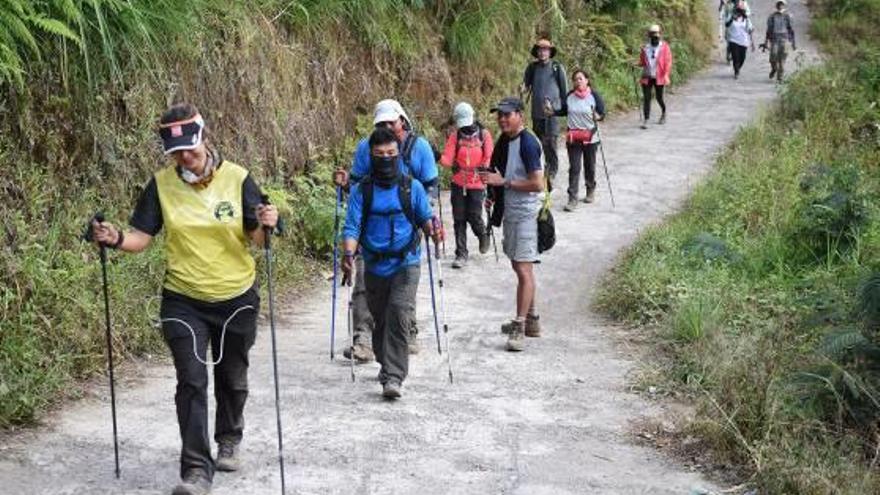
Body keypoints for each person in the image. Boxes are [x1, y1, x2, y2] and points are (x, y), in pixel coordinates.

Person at [90, 103, 279, 495]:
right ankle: (195, 470)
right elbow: (142, 237)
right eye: (176, 153)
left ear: (204, 139)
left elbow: (256, 239)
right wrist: (115, 238)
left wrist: (266, 224)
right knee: (191, 382)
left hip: (237, 296)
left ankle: (228, 437)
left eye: (189, 150)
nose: (184, 159)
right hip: (183, 299)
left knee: (232, 377)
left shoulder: (238, 178)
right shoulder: (161, 185)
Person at [340, 127, 442, 399]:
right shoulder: (363, 191)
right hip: (373, 264)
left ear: (398, 154)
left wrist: (433, 228)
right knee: (380, 319)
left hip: (406, 262)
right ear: (371, 156)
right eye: (380, 154)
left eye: (391, 153)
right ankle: (387, 367)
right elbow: (352, 227)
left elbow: (425, 217)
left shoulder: (412, 187)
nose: (386, 158)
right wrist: (349, 255)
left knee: (398, 313)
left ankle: (394, 376)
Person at [479, 97, 545, 352]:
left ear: (520, 115)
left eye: (507, 115)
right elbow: (497, 170)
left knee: (523, 269)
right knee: (520, 266)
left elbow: (537, 184)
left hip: (526, 213)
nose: (502, 119)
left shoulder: (528, 143)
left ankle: (519, 325)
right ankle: (532, 319)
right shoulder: (506, 140)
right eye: (500, 116)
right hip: (512, 210)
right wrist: (493, 191)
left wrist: (503, 182)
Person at [439, 102, 494, 269]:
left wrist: (484, 170)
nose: (466, 127)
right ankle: (461, 253)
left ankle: (483, 234)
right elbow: (448, 158)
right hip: (458, 182)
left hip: (477, 182)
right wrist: (437, 156)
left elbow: (489, 156)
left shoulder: (484, 135)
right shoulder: (455, 137)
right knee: (459, 218)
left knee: (474, 215)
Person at [545, 69, 606, 210]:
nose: (577, 82)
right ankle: (572, 198)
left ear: (587, 80)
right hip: (573, 137)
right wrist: (552, 111)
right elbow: (564, 110)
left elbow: (602, 113)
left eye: (580, 79)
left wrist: (597, 117)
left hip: (590, 137)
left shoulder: (594, 96)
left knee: (589, 166)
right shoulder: (570, 96)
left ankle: (590, 190)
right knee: (574, 168)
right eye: (575, 79)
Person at [522, 36, 567, 182]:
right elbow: (526, 85)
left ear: (550, 52)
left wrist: (563, 109)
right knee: (538, 143)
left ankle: (552, 171)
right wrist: (522, 88)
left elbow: (563, 90)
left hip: (552, 113)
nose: (542, 53)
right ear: (537, 52)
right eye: (540, 50)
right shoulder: (532, 68)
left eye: (545, 50)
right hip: (536, 112)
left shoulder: (557, 67)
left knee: (551, 143)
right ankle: (540, 169)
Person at [638, 24, 673, 129]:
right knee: (647, 98)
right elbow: (643, 62)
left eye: (656, 36)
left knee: (659, 97)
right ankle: (646, 119)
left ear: (660, 35)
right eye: (652, 35)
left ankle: (664, 112)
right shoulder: (645, 48)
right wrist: (636, 64)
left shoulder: (665, 48)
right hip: (647, 76)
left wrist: (666, 74)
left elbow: (668, 62)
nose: (655, 38)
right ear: (649, 36)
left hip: (659, 76)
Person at [764, 0, 796, 83]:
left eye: (781, 4)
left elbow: (791, 30)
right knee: (772, 57)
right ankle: (774, 69)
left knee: (782, 60)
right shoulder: (772, 16)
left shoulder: (788, 16)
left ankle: (780, 77)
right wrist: (766, 42)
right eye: (778, 4)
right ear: (776, 5)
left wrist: (793, 43)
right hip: (775, 39)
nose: (780, 6)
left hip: (785, 39)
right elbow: (768, 30)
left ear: (784, 5)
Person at [726, 6, 755, 79]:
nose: (739, 13)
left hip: (743, 42)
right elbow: (726, 24)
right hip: (733, 40)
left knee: (742, 58)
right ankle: (736, 71)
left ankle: (738, 68)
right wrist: (732, 18)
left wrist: (752, 43)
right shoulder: (731, 18)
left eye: (741, 11)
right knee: (735, 57)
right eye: (738, 11)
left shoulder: (746, 20)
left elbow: (750, 30)